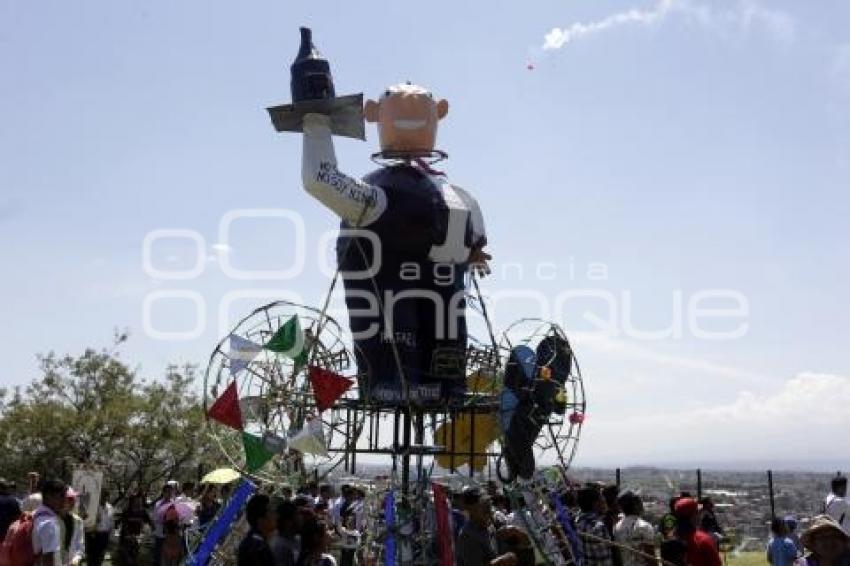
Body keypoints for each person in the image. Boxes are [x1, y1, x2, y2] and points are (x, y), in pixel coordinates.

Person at [456, 487, 526, 566]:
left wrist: (518, 533)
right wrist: (501, 561)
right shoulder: (468, 536)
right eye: (484, 507)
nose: (490, 511)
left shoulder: (497, 520)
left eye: (489, 504)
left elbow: (522, 548)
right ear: (470, 510)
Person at [673, 497, 722, 566]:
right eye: (697, 512)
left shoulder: (670, 541)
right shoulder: (703, 540)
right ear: (693, 516)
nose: (699, 515)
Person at [613, 491, 656, 566]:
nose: (642, 504)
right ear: (636, 505)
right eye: (640, 501)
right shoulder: (644, 526)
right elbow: (650, 557)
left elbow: (618, 555)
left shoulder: (616, 527)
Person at [32, 479, 68, 566]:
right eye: (62, 496)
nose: (64, 500)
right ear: (49, 496)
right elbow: (48, 557)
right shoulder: (48, 523)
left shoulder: (38, 513)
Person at [576, 485, 614, 566]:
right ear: (595, 503)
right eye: (601, 498)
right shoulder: (598, 527)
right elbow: (605, 560)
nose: (604, 500)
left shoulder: (579, 520)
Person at [238, 494, 277, 566]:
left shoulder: (252, 541)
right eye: (271, 511)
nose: (275, 514)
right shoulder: (258, 548)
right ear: (260, 520)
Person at [85, 489, 114, 566]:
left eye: (106, 496)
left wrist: (111, 537)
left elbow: (111, 524)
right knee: (92, 558)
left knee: (101, 557)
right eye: (102, 496)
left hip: (105, 535)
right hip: (94, 535)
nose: (104, 498)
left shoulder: (110, 507)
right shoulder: (93, 507)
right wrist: (95, 521)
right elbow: (87, 522)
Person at [152, 481, 177, 565]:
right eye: (167, 492)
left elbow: (176, 518)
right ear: (163, 492)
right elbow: (155, 517)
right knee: (158, 553)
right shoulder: (158, 504)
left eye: (171, 492)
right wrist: (162, 519)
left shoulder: (174, 504)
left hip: (170, 534)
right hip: (159, 532)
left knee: (168, 555)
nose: (169, 494)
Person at [270, 500, 300, 566]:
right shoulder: (278, 546)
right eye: (297, 517)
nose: (300, 519)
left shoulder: (296, 539)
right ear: (288, 522)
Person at [63, 488, 85, 566]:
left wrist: (76, 558)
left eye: (73, 499)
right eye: (69, 499)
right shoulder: (52, 520)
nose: (73, 502)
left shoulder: (78, 521)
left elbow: (80, 545)